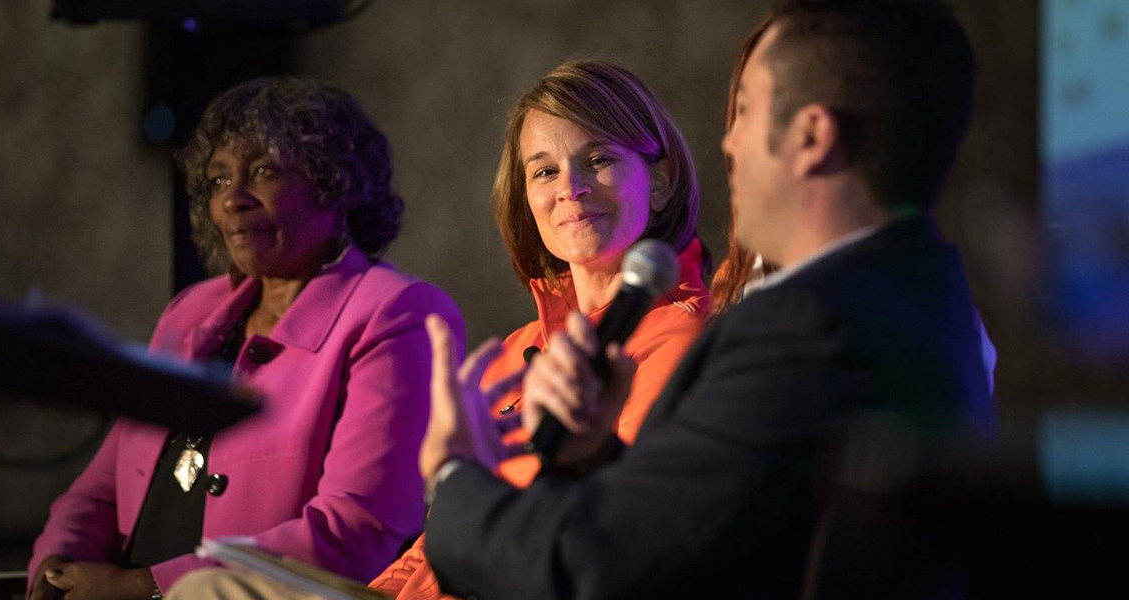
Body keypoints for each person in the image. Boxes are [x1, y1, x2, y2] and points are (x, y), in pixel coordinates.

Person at [419, 1, 992, 598]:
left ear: (811, 137)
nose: (727, 142)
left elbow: (599, 570)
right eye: (543, 172)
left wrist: (454, 473)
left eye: (744, 111)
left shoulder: (807, 328)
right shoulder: (919, 289)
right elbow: (711, 537)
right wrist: (593, 455)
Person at [164, 60, 713, 600]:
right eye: (544, 170)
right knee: (210, 586)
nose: (571, 187)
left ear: (660, 183)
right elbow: (435, 545)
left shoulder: (684, 345)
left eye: (597, 160)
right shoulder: (517, 351)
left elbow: (612, 543)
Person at [27, 77, 464, 600]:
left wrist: (146, 588)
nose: (233, 200)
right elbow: (99, 490)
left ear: (335, 183)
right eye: (216, 180)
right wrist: (55, 568)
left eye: (263, 172)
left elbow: (356, 531)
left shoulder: (394, 312)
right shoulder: (191, 311)